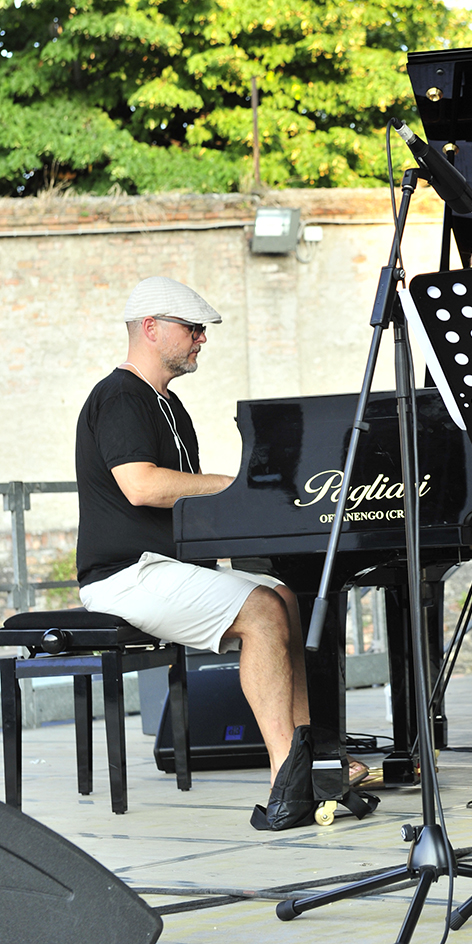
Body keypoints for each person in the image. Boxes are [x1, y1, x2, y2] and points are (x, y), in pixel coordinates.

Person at [75, 275, 315, 831]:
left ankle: (311, 761)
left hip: (166, 568)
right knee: (261, 610)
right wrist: (234, 486)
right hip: (124, 575)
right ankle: (287, 777)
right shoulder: (118, 396)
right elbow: (142, 486)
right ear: (151, 328)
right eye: (193, 328)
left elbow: (187, 502)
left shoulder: (171, 407)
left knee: (283, 596)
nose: (202, 339)